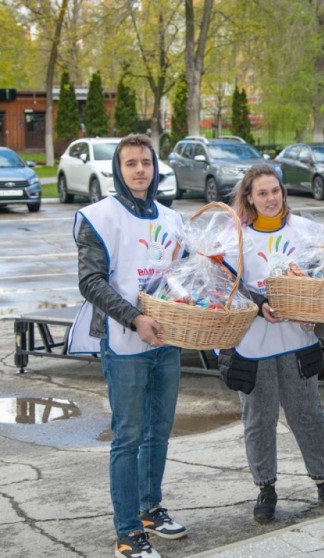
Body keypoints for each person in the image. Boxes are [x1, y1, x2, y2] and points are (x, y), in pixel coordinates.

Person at [68, 134, 187, 558]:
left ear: (155, 169)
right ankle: (127, 532)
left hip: (166, 341)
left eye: (146, 163)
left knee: (159, 431)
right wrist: (134, 317)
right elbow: (90, 281)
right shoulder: (100, 217)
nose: (140, 170)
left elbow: (180, 276)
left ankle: (150, 508)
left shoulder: (173, 220)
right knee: (128, 436)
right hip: (124, 342)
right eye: (131, 163)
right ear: (118, 170)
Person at [228, 164, 324, 522]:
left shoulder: (305, 231)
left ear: (283, 192)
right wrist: (260, 304)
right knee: (258, 420)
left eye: (275, 191)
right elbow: (227, 284)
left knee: (307, 415)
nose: (270, 198)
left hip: (297, 342)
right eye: (262, 193)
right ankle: (266, 487)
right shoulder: (234, 236)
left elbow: (319, 275)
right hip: (253, 345)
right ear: (249, 196)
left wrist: (314, 301)